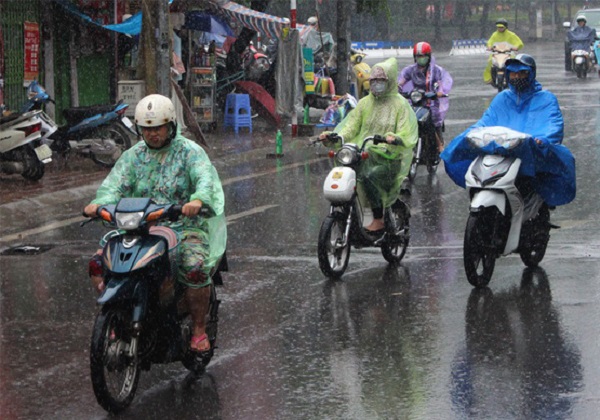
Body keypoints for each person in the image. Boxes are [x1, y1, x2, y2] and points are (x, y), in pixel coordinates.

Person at [83, 94, 226, 354]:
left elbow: (205, 179)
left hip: (183, 226)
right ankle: (117, 313)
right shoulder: (133, 156)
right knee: (98, 263)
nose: (152, 134)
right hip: (138, 226)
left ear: (170, 126)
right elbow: (115, 185)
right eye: (146, 129)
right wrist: (100, 203)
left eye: (157, 127)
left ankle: (198, 329)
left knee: (194, 267)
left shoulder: (190, 152)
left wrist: (197, 200)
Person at [442, 54, 576, 208]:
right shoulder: (502, 98)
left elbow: (553, 125)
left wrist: (543, 139)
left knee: (558, 162)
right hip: (500, 153)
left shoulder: (546, 99)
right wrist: (470, 134)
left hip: (527, 152)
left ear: (531, 73)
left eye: (522, 73)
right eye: (513, 73)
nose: (517, 77)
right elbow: (486, 121)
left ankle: (537, 208)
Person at [319, 57, 418, 232]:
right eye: (373, 81)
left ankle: (378, 218)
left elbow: (406, 132)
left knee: (368, 177)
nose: (376, 84)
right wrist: (335, 136)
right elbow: (351, 126)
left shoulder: (400, 105)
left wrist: (394, 138)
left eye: (381, 81)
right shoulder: (364, 103)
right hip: (364, 153)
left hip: (389, 158)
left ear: (390, 81)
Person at [398, 41, 453, 153]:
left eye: (423, 56)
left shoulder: (435, 70)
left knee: (433, 119)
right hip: (416, 100)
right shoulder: (411, 70)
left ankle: (439, 144)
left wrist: (439, 92)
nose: (421, 58)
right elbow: (401, 82)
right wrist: (396, 88)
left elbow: (440, 82)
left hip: (430, 100)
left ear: (428, 56)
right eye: (418, 56)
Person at [483, 18, 524, 84]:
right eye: (498, 27)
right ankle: (489, 78)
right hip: (497, 53)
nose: (500, 29)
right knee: (490, 62)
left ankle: (516, 77)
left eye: (501, 27)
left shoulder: (511, 35)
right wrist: (489, 47)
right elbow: (490, 41)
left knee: (515, 64)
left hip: (509, 53)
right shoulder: (494, 34)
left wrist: (516, 47)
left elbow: (519, 43)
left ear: (505, 27)